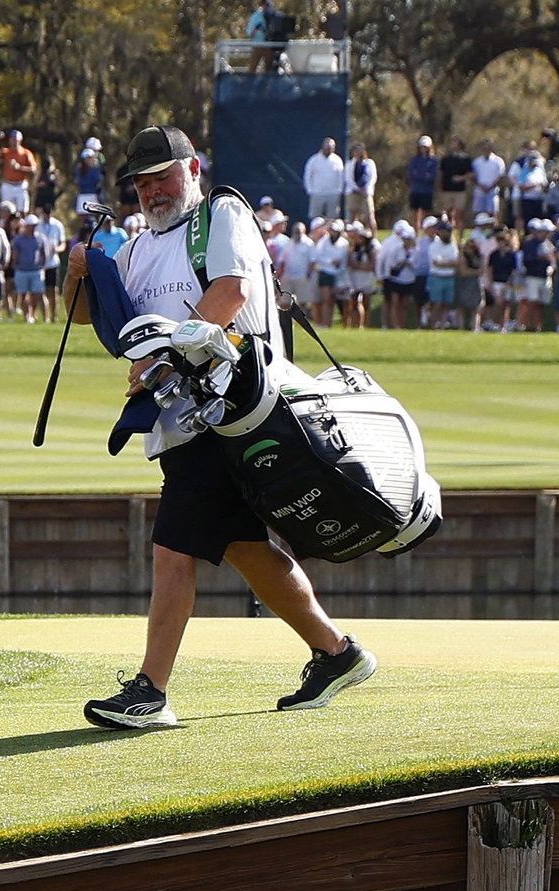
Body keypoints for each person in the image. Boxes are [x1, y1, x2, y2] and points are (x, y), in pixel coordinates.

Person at [64, 125, 376, 730]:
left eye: (163, 176)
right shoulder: (130, 250)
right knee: (242, 547)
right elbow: (83, 316)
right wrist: (79, 270)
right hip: (189, 421)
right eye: (142, 182)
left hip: (237, 408)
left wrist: (163, 359)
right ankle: (337, 653)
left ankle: (151, 692)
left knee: (172, 549)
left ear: (193, 168)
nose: (152, 191)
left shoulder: (223, 213)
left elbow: (230, 294)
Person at [0, 129, 37, 215]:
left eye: (16, 140)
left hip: (20, 185)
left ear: (20, 141)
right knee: (5, 209)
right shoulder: (6, 152)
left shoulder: (26, 153)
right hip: (7, 185)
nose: (14, 142)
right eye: (12, 140)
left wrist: (20, 167)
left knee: (23, 211)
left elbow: (33, 168)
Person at [302, 137, 344, 222]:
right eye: (328, 147)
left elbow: (341, 177)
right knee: (315, 219)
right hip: (317, 193)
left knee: (332, 219)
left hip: (333, 194)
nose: (330, 149)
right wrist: (310, 191)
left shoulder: (337, 160)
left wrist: (339, 190)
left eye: (332, 147)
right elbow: (307, 176)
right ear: (323, 147)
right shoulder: (314, 160)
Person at [406, 136, 439, 229]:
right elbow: (411, 174)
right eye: (422, 147)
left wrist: (420, 175)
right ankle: (415, 235)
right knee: (415, 215)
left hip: (427, 191)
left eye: (425, 147)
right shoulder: (415, 160)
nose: (423, 149)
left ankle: (426, 233)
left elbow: (432, 176)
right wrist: (423, 175)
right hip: (415, 190)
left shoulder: (433, 160)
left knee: (426, 215)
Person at [470, 140, 506, 224]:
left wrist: (490, 187)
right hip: (479, 190)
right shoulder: (476, 162)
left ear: (491, 148)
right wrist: (481, 186)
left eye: (487, 148)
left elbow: (501, 176)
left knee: (492, 213)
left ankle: (493, 230)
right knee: (478, 213)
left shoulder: (498, 161)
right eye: (484, 148)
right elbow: (472, 176)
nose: (486, 150)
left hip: (492, 191)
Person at [343, 143, 377, 233]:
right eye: (356, 150)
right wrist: (357, 188)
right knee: (352, 217)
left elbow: (373, 177)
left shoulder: (370, 163)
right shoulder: (349, 164)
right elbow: (348, 179)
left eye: (360, 150)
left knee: (369, 217)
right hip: (352, 192)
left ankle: (373, 238)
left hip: (366, 193)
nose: (358, 152)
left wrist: (366, 188)